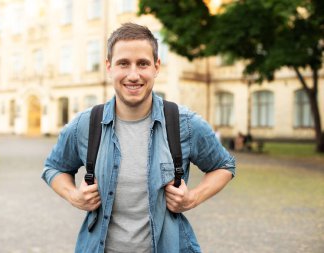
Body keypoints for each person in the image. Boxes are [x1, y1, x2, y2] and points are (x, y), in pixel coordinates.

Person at [42, 23, 235, 253]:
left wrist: (191, 198)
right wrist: (74, 196)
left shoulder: (183, 123)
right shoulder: (86, 124)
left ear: (156, 66)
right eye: (123, 63)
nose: (133, 75)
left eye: (142, 63)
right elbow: (54, 167)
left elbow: (224, 165)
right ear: (109, 67)